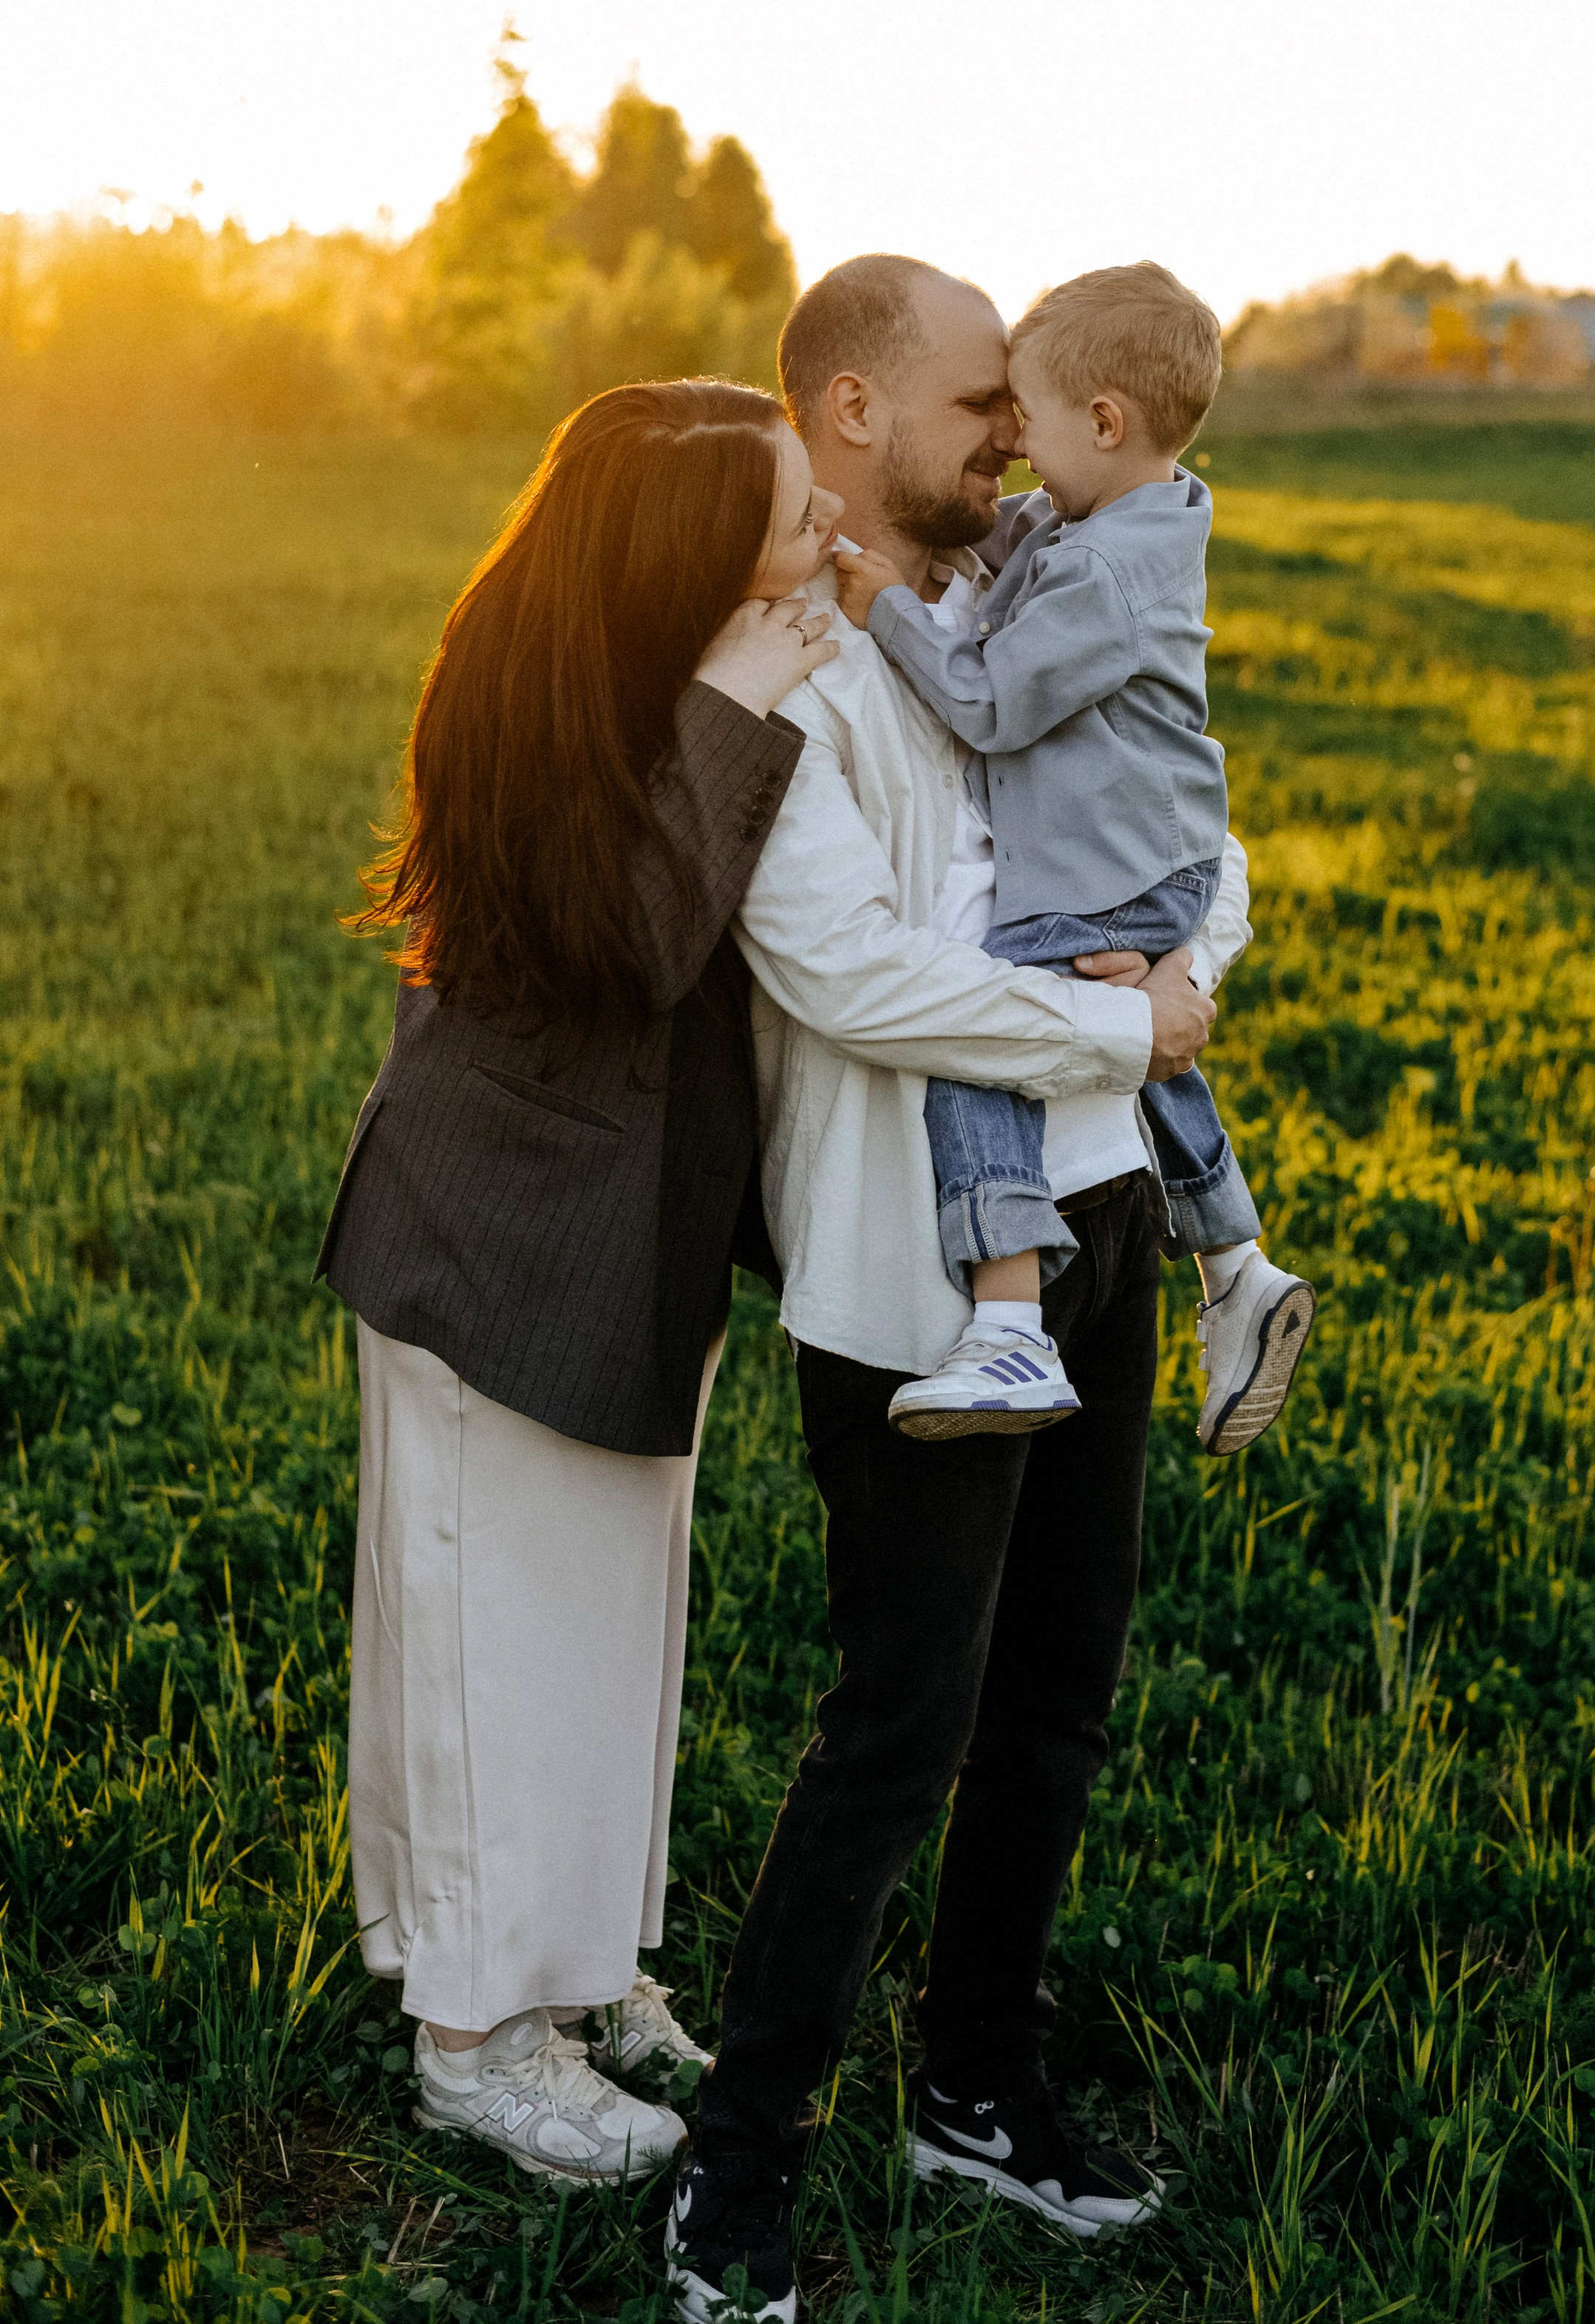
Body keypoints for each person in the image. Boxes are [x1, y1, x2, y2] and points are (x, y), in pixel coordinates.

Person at [663, 259, 1248, 2324]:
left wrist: (1182, 968)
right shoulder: (795, 672)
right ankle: (737, 2167)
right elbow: (851, 975)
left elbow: (1199, 824)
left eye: (1020, 402)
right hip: (907, 1267)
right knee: (896, 1730)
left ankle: (977, 2091)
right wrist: (1122, 1025)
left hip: (1096, 1219)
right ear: (852, 411)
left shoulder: (1039, 589)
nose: (1009, 430)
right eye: (976, 400)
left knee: (1057, 1696)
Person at [316, 378, 843, 2187]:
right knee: (501, 1644)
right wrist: (736, 703)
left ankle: (573, 1968)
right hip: (506, 1241)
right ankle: (476, 2043)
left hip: (621, 1238)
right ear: (681, 568)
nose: (826, 546)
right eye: (795, 522)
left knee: (604, 1630)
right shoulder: (549, 706)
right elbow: (636, 941)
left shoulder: (666, 665)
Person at [832, 260, 1316, 1454]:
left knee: (985, 1029)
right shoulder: (1128, 512)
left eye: (1026, 418)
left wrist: (889, 606)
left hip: (1116, 864)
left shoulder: (1100, 567)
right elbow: (1016, 538)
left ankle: (1008, 1321)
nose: (1013, 443)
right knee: (1136, 1036)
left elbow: (991, 705)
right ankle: (1236, 1262)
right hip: (1154, 856)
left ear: (1103, 423)